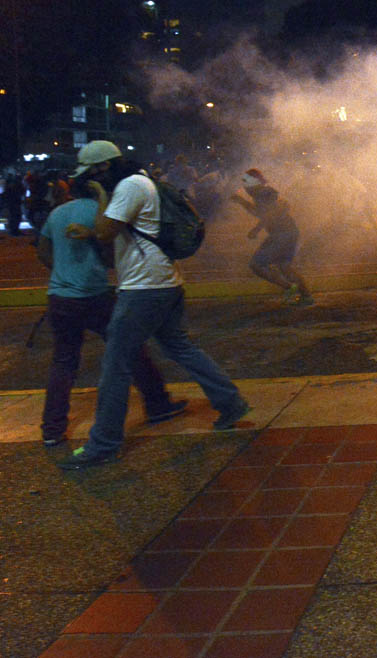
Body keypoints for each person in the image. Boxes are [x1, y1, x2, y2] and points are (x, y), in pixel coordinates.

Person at [56, 141, 250, 470]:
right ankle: (230, 403)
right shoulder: (141, 181)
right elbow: (118, 230)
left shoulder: (130, 186)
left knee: (116, 365)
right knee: (180, 347)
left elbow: (106, 231)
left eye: (91, 176)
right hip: (165, 282)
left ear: (103, 169)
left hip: (144, 288)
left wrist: (100, 198)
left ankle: (103, 444)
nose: (88, 183)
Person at [36, 175, 185, 448]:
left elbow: (43, 251)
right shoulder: (100, 213)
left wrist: (62, 272)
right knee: (130, 349)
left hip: (60, 298)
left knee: (63, 362)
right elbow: (109, 251)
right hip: (95, 296)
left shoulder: (57, 213)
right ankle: (157, 404)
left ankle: (52, 429)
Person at [231, 168, 314, 306]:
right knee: (284, 266)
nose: (245, 190)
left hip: (281, 234)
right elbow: (267, 212)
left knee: (256, 265)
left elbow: (267, 214)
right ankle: (306, 296)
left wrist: (255, 229)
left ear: (252, 185)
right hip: (288, 232)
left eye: (246, 186)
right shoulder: (265, 192)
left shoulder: (262, 194)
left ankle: (289, 288)